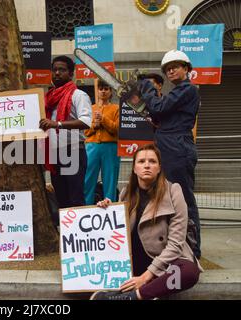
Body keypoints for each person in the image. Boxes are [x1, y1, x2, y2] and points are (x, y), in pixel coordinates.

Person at [91, 144, 203, 300]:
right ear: (134, 168)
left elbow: (176, 244)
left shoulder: (173, 191)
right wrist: (107, 211)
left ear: (159, 168)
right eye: (141, 161)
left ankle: (134, 295)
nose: (147, 165)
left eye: (152, 161)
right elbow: (117, 238)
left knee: (189, 273)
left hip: (164, 260)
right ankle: (150, 291)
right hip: (136, 261)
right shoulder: (125, 193)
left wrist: (146, 276)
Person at [137, 50, 201, 258]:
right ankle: (173, 243)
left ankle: (192, 247)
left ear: (186, 69)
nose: (171, 70)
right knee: (169, 198)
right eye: (167, 68)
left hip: (177, 147)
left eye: (176, 66)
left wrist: (146, 87)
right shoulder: (178, 92)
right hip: (168, 145)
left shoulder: (187, 89)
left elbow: (158, 107)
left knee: (183, 198)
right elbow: (163, 114)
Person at [39, 55, 92, 211]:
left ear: (71, 73)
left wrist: (57, 124)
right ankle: (65, 234)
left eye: (61, 70)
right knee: (61, 198)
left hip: (73, 150)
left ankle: (79, 235)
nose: (57, 73)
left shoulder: (78, 95)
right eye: (54, 70)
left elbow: (86, 122)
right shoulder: (47, 98)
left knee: (75, 198)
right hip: (54, 152)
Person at [83, 81, 120, 204]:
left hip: (110, 147)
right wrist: (95, 125)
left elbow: (117, 129)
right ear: (97, 91)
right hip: (91, 146)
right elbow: (85, 132)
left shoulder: (116, 108)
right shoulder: (90, 108)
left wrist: (103, 119)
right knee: (87, 178)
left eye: (106, 89)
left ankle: (110, 207)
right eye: (100, 89)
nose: (103, 91)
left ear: (111, 92)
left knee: (110, 179)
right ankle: (85, 208)